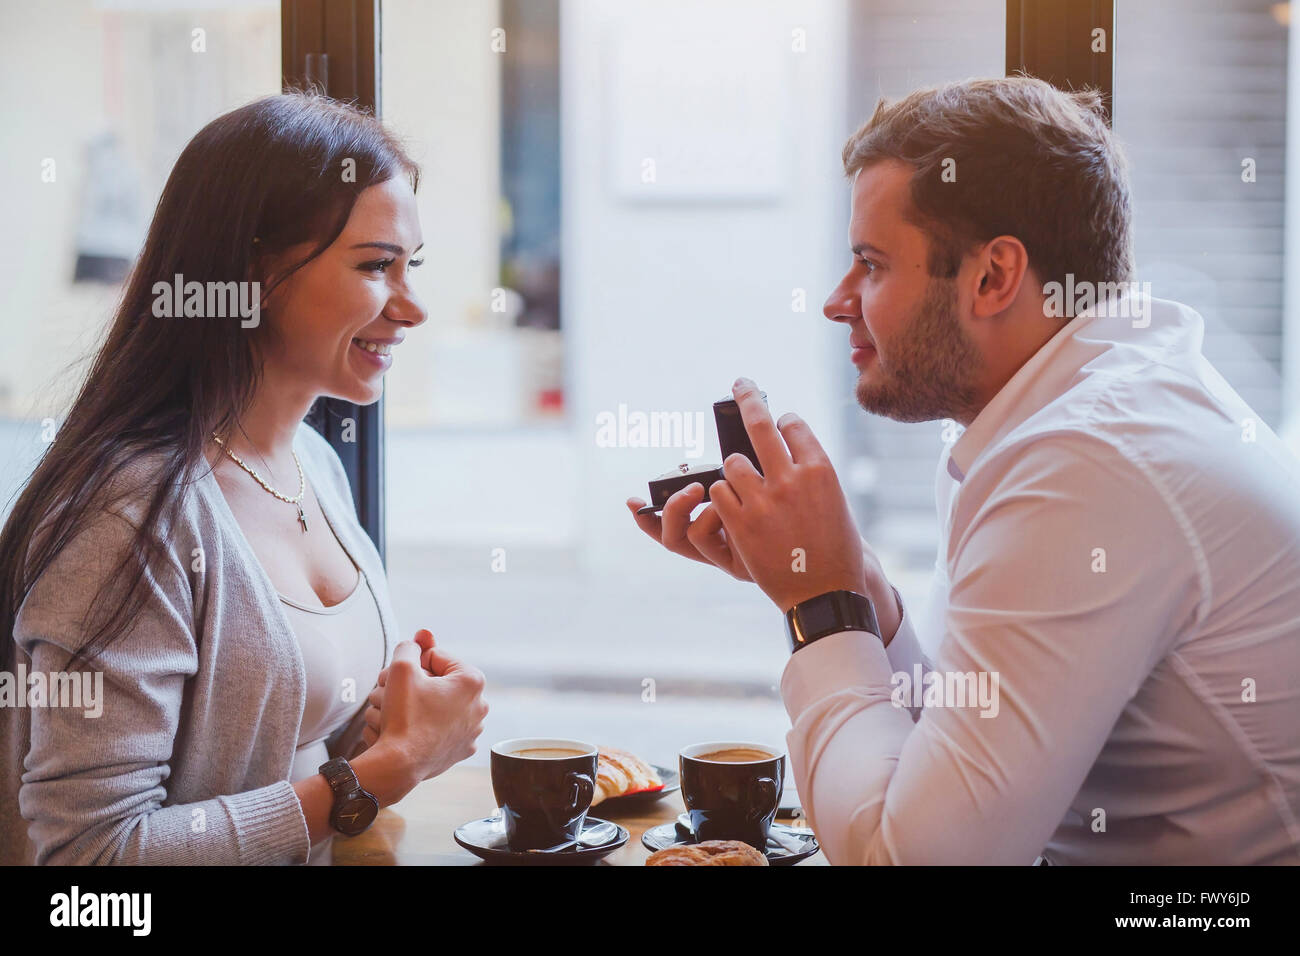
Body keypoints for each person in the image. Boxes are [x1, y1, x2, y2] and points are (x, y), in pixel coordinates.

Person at [629, 76, 1300, 864]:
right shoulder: (1081, 415)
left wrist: (819, 606)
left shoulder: (1087, 463)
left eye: (872, 265)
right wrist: (862, 595)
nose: (838, 302)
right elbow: (958, 771)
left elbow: (913, 859)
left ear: (992, 277)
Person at [0, 92, 488, 865]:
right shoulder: (130, 520)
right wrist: (386, 770)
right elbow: (90, 863)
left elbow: (279, 756)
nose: (412, 307)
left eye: (412, 267)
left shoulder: (313, 467)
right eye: (375, 267)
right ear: (253, 272)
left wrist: (377, 731)